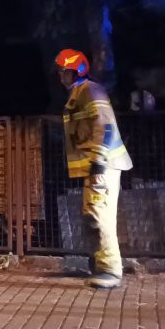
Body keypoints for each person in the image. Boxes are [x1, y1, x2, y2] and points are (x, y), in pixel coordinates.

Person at [55, 49, 133, 289]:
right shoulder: (80, 92)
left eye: (65, 71)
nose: (61, 76)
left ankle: (110, 270)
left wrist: (98, 163)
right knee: (92, 213)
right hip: (98, 165)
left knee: (99, 215)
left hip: (103, 165)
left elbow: (104, 126)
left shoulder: (90, 91)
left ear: (77, 71)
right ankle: (99, 265)